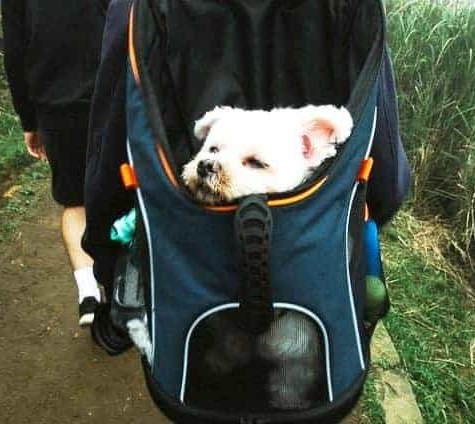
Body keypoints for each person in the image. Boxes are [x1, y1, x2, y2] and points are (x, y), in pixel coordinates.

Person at [82, 0, 412, 354]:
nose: (213, 166)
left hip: (191, 273)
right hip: (307, 271)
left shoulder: (141, 7)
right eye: (211, 153)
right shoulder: (351, 7)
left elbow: (111, 140)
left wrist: (106, 261)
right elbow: (386, 168)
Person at [1, 0, 108, 326]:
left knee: (75, 201)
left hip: (54, 102)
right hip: (111, 89)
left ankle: (88, 293)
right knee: (127, 186)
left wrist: (29, 120)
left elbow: (14, 47)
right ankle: (133, 282)